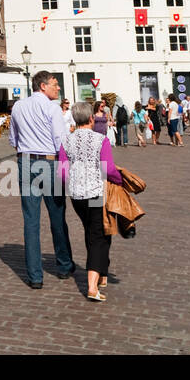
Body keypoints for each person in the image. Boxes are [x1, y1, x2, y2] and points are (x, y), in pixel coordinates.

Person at [7, 70, 74, 289]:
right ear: (42, 86)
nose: (58, 88)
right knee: (57, 215)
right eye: (55, 84)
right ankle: (64, 265)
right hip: (49, 161)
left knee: (31, 220)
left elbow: (13, 138)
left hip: (25, 161)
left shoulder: (18, 106)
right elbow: (61, 140)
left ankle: (35, 276)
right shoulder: (52, 108)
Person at [58, 101, 123, 302]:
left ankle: (101, 273)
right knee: (98, 234)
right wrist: (119, 180)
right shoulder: (99, 140)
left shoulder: (66, 141)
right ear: (91, 118)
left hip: (77, 196)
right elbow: (108, 169)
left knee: (94, 231)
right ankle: (92, 285)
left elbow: (62, 173)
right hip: (95, 193)